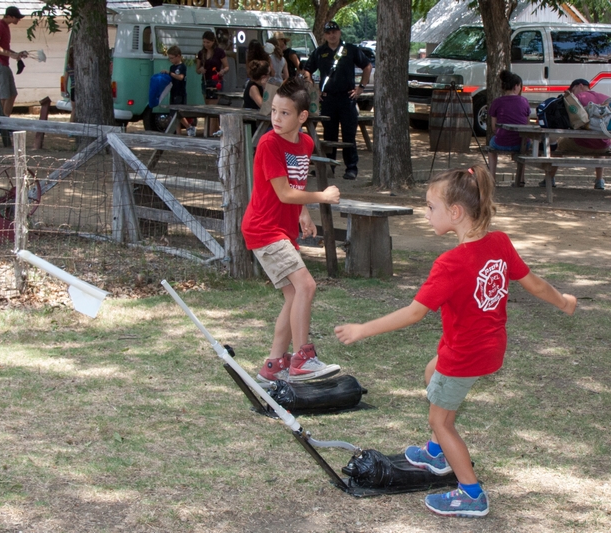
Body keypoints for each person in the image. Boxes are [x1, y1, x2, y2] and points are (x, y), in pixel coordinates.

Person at [334, 166, 577, 518]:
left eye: (431, 206)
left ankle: (470, 492)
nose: (426, 213)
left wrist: (362, 329)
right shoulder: (500, 243)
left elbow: (414, 313)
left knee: (441, 421)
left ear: (455, 212)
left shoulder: (450, 263)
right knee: (432, 371)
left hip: (464, 356)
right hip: (487, 348)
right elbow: (535, 284)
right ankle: (435, 453)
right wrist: (563, 301)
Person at [242, 77, 342, 384]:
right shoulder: (270, 144)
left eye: (285, 113)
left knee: (294, 295)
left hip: (282, 230)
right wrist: (321, 197)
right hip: (264, 229)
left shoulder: (305, 143)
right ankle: (302, 358)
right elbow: (284, 193)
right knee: (307, 287)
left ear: (302, 117)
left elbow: (295, 185)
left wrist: (305, 214)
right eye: (274, 111)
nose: (276, 118)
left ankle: (273, 365)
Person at [304, 21, 372, 180]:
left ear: (339, 32)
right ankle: (329, 167)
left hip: (347, 98)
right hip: (328, 99)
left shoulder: (350, 49)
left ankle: (351, 168)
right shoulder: (320, 52)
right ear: (324, 35)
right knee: (329, 135)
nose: (331, 35)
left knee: (349, 134)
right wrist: (314, 90)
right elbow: (307, 70)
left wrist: (361, 87)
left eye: (334, 31)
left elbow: (367, 66)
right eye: (328, 33)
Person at [543, 78, 609, 190]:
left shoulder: (576, 98)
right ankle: (599, 180)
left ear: (580, 86)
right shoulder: (605, 98)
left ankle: (549, 178)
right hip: (604, 146)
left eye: (572, 89)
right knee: (600, 141)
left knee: (558, 146)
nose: (572, 93)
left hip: (580, 144)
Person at [487, 70, 530, 181]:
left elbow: (493, 127)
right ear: (516, 86)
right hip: (521, 143)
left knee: (491, 146)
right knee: (525, 144)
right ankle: (521, 177)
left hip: (502, 142)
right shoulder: (524, 101)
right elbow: (527, 123)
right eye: (520, 86)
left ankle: (492, 177)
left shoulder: (497, 102)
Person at [0, 6, 28, 117]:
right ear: (9, 16)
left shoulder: (6, 27)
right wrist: (11, 54)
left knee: (12, 94)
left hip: (4, 63)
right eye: (16, 17)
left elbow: (3, 47)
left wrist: (17, 54)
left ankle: (6, 120)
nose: (18, 20)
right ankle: (0, 122)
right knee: (3, 95)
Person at [196, 31, 229, 135]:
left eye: (208, 42)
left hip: (216, 81)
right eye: (204, 42)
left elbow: (227, 66)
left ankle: (210, 132)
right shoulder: (201, 53)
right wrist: (200, 69)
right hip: (205, 80)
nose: (206, 44)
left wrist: (222, 71)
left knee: (213, 107)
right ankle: (214, 131)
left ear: (213, 41)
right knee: (208, 107)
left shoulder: (219, 52)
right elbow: (197, 69)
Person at [161, 46, 195, 137]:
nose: (171, 60)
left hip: (180, 93)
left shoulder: (182, 66)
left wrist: (170, 73)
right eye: (170, 58)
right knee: (173, 114)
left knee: (178, 114)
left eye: (172, 58)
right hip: (173, 92)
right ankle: (178, 133)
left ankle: (189, 126)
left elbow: (180, 77)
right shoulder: (172, 67)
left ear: (178, 56)